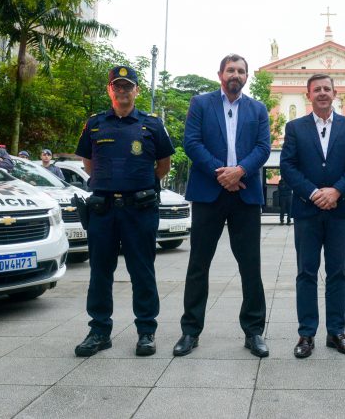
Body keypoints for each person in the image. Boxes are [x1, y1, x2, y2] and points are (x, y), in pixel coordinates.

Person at [174, 54, 271, 358]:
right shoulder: (201, 104)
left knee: (250, 266)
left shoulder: (257, 109)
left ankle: (254, 331)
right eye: (231, 70)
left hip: (245, 194)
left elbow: (263, 148)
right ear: (220, 74)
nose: (236, 75)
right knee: (198, 265)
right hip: (208, 193)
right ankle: (190, 331)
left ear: (246, 77)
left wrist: (240, 171)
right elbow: (192, 143)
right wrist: (222, 172)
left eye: (241, 71)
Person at [73, 65, 174, 358]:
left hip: (139, 210)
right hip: (103, 209)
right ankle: (99, 331)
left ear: (136, 91)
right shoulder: (94, 124)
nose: (122, 90)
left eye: (127, 86)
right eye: (117, 86)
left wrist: (138, 184)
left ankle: (146, 331)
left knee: (142, 271)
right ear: (110, 90)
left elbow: (163, 165)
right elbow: (89, 164)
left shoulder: (152, 124)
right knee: (100, 272)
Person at [280, 74, 345, 359]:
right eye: (316, 89)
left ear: (335, 93)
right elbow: (288, 166)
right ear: (309, 95)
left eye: (326, 89)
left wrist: (337, 191)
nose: (322, 93)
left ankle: (336, 332)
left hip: (339, 211)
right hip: (307, 210)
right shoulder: (295, 127)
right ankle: (306, 334)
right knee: (306, 273)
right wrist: (314, 192)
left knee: (337, 273)